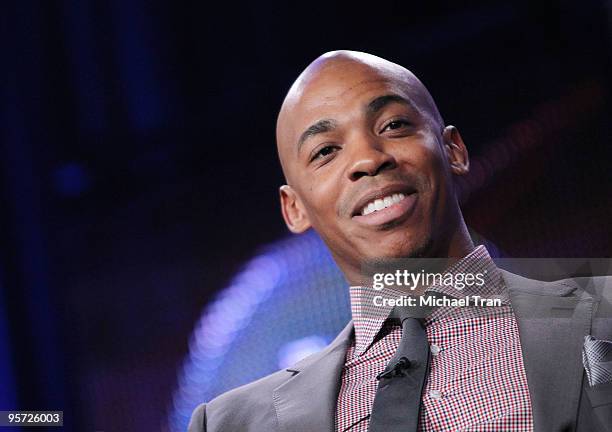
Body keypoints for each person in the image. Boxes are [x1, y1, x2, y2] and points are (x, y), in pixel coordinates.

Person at [188, 51, 611, 431]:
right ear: (294, 208)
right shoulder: (233, 422)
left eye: (393, 125)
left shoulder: (602, 321)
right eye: (325, 151)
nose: (369, 159)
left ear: (454, 150)